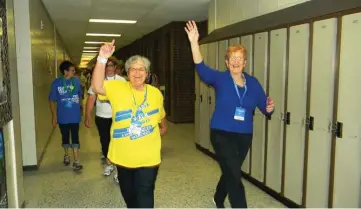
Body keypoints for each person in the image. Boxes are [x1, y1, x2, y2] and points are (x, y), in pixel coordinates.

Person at [185, 20, 275, 208]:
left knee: (230, 170)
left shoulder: (253, 82)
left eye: (239, 58)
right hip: (221, 133)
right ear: (227, 62)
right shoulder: (220, 79)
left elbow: (263, 105)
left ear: (245, 62)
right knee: (235, 175)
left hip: (243, 135)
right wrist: (194, 42)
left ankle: (218, 198)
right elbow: (201, 69)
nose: (235, 61)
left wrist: (269, 108)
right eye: (232, 58)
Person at [91, 40, 167, 208]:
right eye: (133, 69)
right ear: (127, 72)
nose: (137, 72)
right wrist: (102, 58)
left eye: (141, 69)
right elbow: (97, 87)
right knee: (129, 195)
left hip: (149, 157)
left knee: (145, 194)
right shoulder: (117, 87)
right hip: (123, 155)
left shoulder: (155, 93)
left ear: (147, 73)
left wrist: (163, 126)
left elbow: (161, 113)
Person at [85, 56, 126, 176]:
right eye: (106, 66)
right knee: (105, 141)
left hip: (118, 117)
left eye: (111, 66)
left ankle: (118, 168)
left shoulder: (121, 81)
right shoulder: (98, 80)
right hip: (101, 116)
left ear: (115, 67)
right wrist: (87, 116)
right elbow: (91, 98)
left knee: (117, 142)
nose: (109, 68)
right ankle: (109, 164)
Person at [49, 61, 84, 171]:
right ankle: (66, 155)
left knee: (75, 137)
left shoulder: (77, 82)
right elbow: (51, 101)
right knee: (65, 137)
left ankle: (77, 160)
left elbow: (80, 97)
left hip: (74, 115)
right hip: (62, 116)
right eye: (72, 70)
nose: (74, 72)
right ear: (65, 71)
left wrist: (81, 109)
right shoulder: (56, 83)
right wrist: (54, 117)